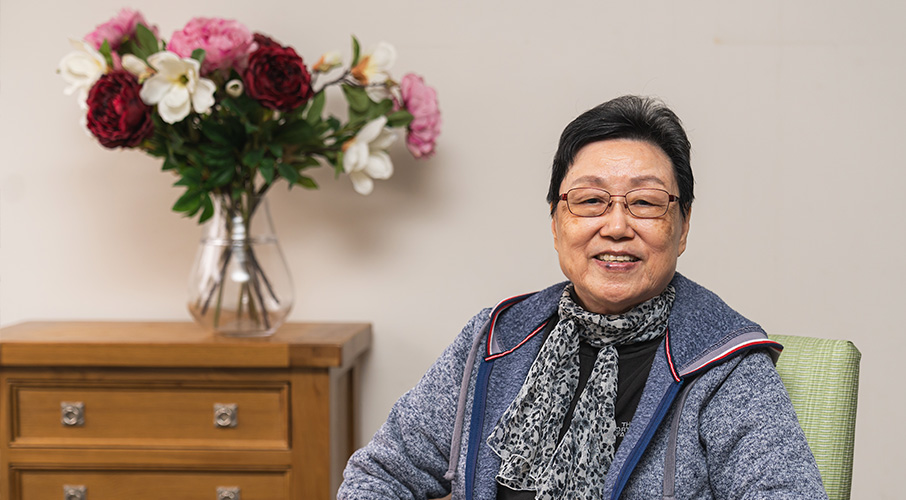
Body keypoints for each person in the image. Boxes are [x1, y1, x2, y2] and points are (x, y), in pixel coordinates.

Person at [338, 95, 827, 499]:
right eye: (591, 201)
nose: (616, 227)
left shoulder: (726, 363)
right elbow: (380, 475)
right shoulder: (496, 338)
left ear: (682, 228)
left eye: (646, 203)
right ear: (556, 223)